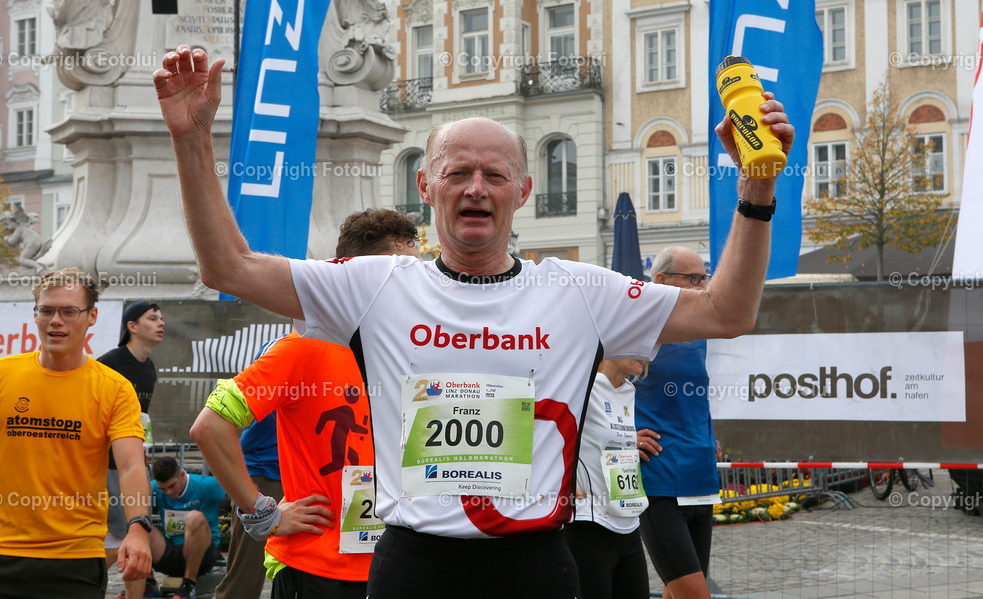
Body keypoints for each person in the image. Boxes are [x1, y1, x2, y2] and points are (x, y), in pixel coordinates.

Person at [154, 46, 793, 597]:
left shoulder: (577, 291)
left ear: (523, 191)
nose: (475, 188)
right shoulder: (375, 285)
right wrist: (190, 140)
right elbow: (229, 267)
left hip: (534, 564)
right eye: (457, 173)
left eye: (494, 175)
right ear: (427, 187)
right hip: (414, 565)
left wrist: (756, 186)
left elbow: (726, 311)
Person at [193, 208, 419, 599]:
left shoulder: (418, 348)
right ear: (350, 277)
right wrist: (262, 513)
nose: (405, 288)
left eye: (413, 275)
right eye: (389, 276)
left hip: (403, 563)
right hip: (316, 569)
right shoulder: (302, 350)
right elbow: (209, 427)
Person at [0, 267, 151, 599]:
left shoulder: (115, 389)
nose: (55, 321)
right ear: (35, 315)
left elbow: (131, 465)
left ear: (92, 316)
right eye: (46, 311)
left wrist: (139, 528)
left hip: (76, 559)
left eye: (68, 311)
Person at [634, 246, 724, 599]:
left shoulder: (699, 330)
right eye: (694, 279)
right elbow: (595, 389)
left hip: (700, 477)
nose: (704, 286)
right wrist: (625, 436)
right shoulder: (635, 329)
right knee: (695, 595)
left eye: (705, 277)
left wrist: (707, 433)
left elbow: (694, 395)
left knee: (677, 593)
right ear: (661, 281)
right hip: (658, 482)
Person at [565, 358, 650, 599]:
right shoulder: (582, 385)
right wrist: (562, 482)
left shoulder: (628, 390)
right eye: (637, 340)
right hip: (588, 527)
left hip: (629, 524)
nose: (646, 353)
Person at [98, 300, 165, 599]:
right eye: (152, 318)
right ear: (132, 326)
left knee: (138, 536)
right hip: (107, 466)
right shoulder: (108, 364)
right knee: (125, 536)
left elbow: (142, 424)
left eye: (162, 318)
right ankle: (75, 582)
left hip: (136, 464)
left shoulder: (149, 368)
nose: (161, 323)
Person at [211, 359, 283, 599]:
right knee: (244, 578)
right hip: (264, 475)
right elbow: (208, 427)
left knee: (301, 573)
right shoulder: (282, 350)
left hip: (308, 476)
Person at [147, 456, 226, 599]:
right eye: (163, 489)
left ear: (182, 474)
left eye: (172, 486)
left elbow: (236, 498)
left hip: (203, 556)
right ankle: (149, 582)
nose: (169, 492)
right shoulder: (154, 489)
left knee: (194, 517)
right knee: (138, 524)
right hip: (171, 554)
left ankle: (188, 585)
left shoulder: (208, 486)